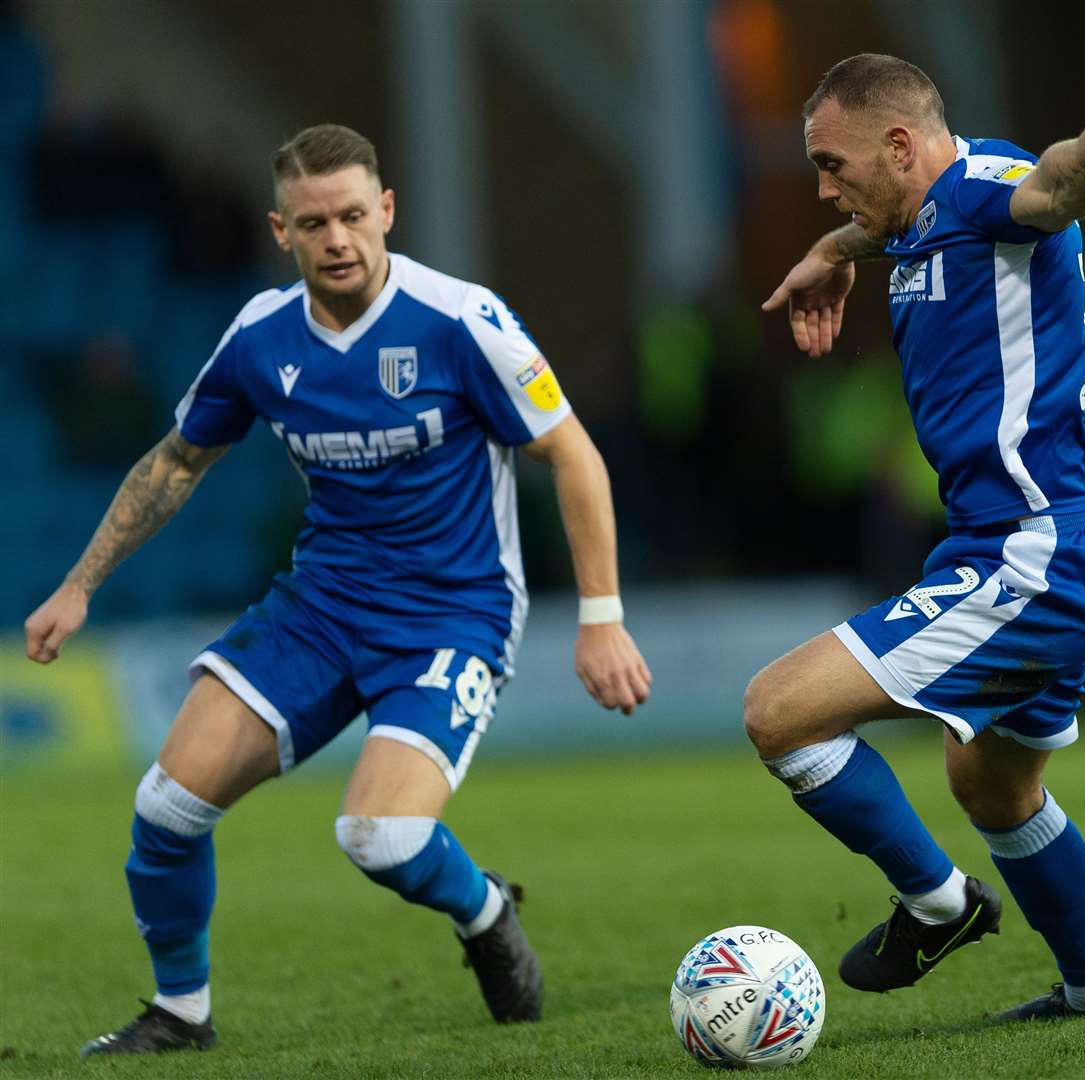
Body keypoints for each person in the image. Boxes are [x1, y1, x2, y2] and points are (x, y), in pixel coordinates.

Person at [24, 124, 652, 1055]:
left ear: (387, 210)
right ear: (282, 230)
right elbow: (174, 462)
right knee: (164, 810)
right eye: (314, 223)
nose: (339, 240)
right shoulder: (261, 338)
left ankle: (483, 912)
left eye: (355, 216)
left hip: (453, 614)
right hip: (319, 609)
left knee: (381, 840)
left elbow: (571, 454)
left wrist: (602, 618)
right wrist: (78, 586)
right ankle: (181, 1015)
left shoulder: (459, 319)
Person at [754, 55, 1085, 1020]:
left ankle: (939, 904)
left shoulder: (991, 188)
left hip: (1030, 552)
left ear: (902, 144)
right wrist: (836, 250)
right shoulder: (930, 211)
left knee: (778, 713)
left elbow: (1052, 187)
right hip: (1040, 543)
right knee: (993, 786)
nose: (824, 188)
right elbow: (927, 222)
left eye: (833, 165)